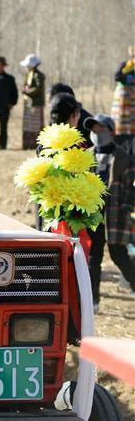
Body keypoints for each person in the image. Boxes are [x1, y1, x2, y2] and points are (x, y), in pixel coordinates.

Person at [91, 115, 135, 295]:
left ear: (111, 132)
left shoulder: (123, 158)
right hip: (92, 216)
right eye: (94, 130)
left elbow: (131, 187)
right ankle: (93, 300)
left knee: (119, 255)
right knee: (93, 258)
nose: (96, 133)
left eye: (101, 129)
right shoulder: (85, 157)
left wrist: (126, 208)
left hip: (115, 216)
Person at [20, 54, 46, 149]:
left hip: (36, 104)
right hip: (28, 103)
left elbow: (39, 88)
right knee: (28, 125)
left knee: (35, 125)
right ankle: (28, 144)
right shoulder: (29, 75)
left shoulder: (39, 75)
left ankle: (37, 145)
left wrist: (27, 92)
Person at [111, 46, 134, 138]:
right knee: (121, 117)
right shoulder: (125, 64)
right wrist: (129, 79)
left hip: (133, 97)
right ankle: (119, 135)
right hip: (122, 97)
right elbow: (117, 77)